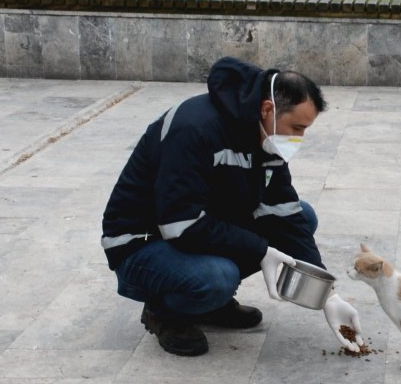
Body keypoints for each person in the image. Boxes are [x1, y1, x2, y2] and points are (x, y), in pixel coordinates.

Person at [100, 57, 362, 356]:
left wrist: (327, 294)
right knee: (217, 277)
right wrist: (260, 251)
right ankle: (165, 313)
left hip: (193, 228)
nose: (298, 138)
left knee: (304, 215)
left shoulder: (266, 136)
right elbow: (179, 225)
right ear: (267, 109)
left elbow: (285, 214)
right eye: (296, 127)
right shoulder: (194, 127)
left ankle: (211, 304)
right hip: (141, 243)